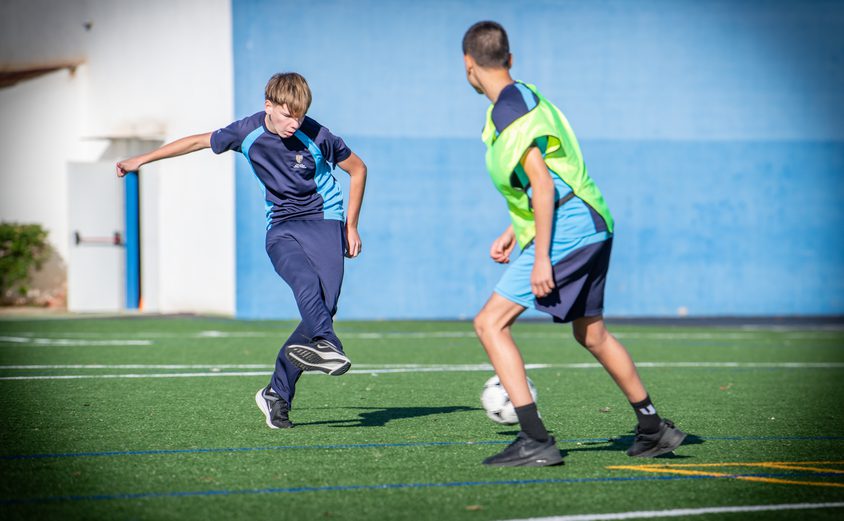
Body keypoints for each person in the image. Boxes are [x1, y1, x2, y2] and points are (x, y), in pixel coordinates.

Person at [462, 21, 686, 466]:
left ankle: (535, 439)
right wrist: (515, 230)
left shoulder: (509, 112)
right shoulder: (524, 96)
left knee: (490, 323)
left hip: (569, 228)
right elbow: (542, 180)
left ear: (468, 66)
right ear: (509, 60)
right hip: (591, 221)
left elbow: (543, 186)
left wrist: (541, 256)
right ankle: (653, 428)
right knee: (592, 333)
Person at [116, 72, 367, 429]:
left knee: (322, 309)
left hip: (325, 220)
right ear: (268, 106)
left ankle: (276, 394)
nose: (294, 124)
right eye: (287, 116)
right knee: (306, 286)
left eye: (301, 116)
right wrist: (142, 159)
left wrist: (352, 225)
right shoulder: (246, 131)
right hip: (281, 228)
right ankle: (328, 342)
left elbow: (358, 169)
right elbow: (196, 142)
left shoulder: (317, 134)